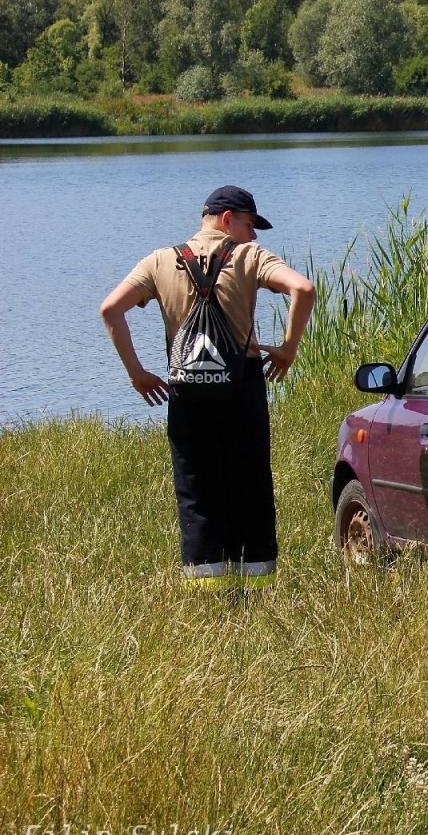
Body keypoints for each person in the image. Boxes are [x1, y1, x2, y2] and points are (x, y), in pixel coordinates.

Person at [99, 186, 315, 591]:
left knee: (196, 485)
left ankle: (205, 588)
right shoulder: (250, 256)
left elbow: (110, 309)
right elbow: (303, 289)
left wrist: (137, 373)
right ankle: (256, 586)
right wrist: (287, 349)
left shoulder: (160, 260)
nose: (253, 234)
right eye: (250, 224)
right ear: (227, 218)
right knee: (249, 480)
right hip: (241, 385)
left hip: (187, 390)